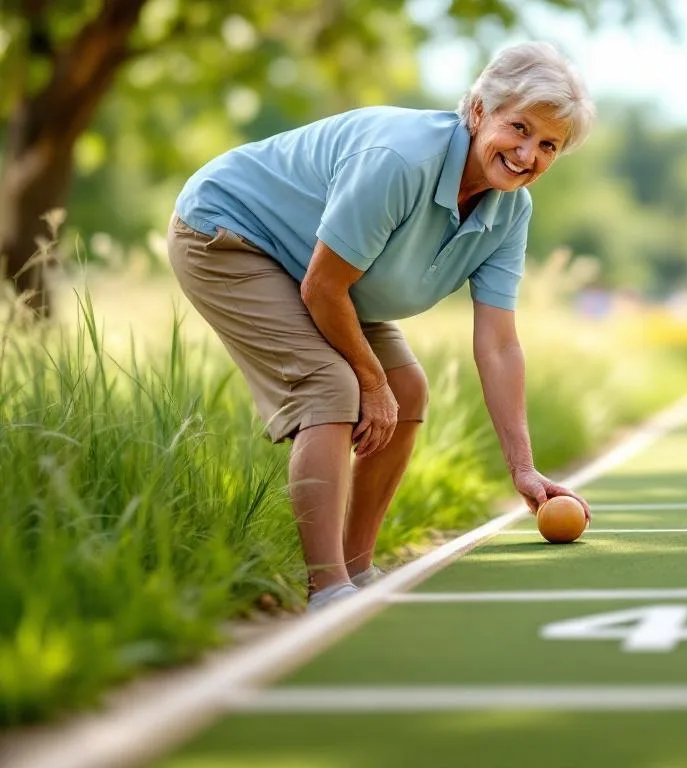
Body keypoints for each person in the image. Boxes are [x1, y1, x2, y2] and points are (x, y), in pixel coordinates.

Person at [165, 42, 593, 612]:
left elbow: (498, 343)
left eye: (548, 145)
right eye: (518, 127)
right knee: (332, 387)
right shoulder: (401, 160)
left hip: (320, 272)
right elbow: (322, 287)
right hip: (228, 235)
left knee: (408, 389)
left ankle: (358, 571)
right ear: (478, 111)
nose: (526, 154)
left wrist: (523, 468)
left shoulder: (509, 210)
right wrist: (369, 379)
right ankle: (327, 586)